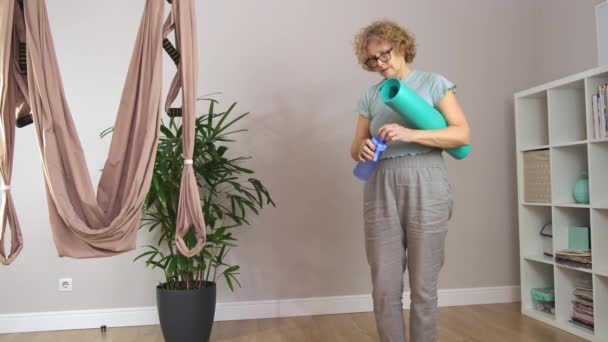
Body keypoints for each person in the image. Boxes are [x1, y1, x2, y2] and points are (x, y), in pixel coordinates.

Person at [350, 19, 471, 342]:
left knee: (423, 287)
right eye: (371, 60)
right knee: (384, 288)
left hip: (426, 181)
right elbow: (354, 146)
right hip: (380, 185)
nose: (379, 64)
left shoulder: (433, 84)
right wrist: (361, 147)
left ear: (401, 45)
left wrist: (410, 133)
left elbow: (461, 134)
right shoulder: (371, 96)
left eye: (384, 54)